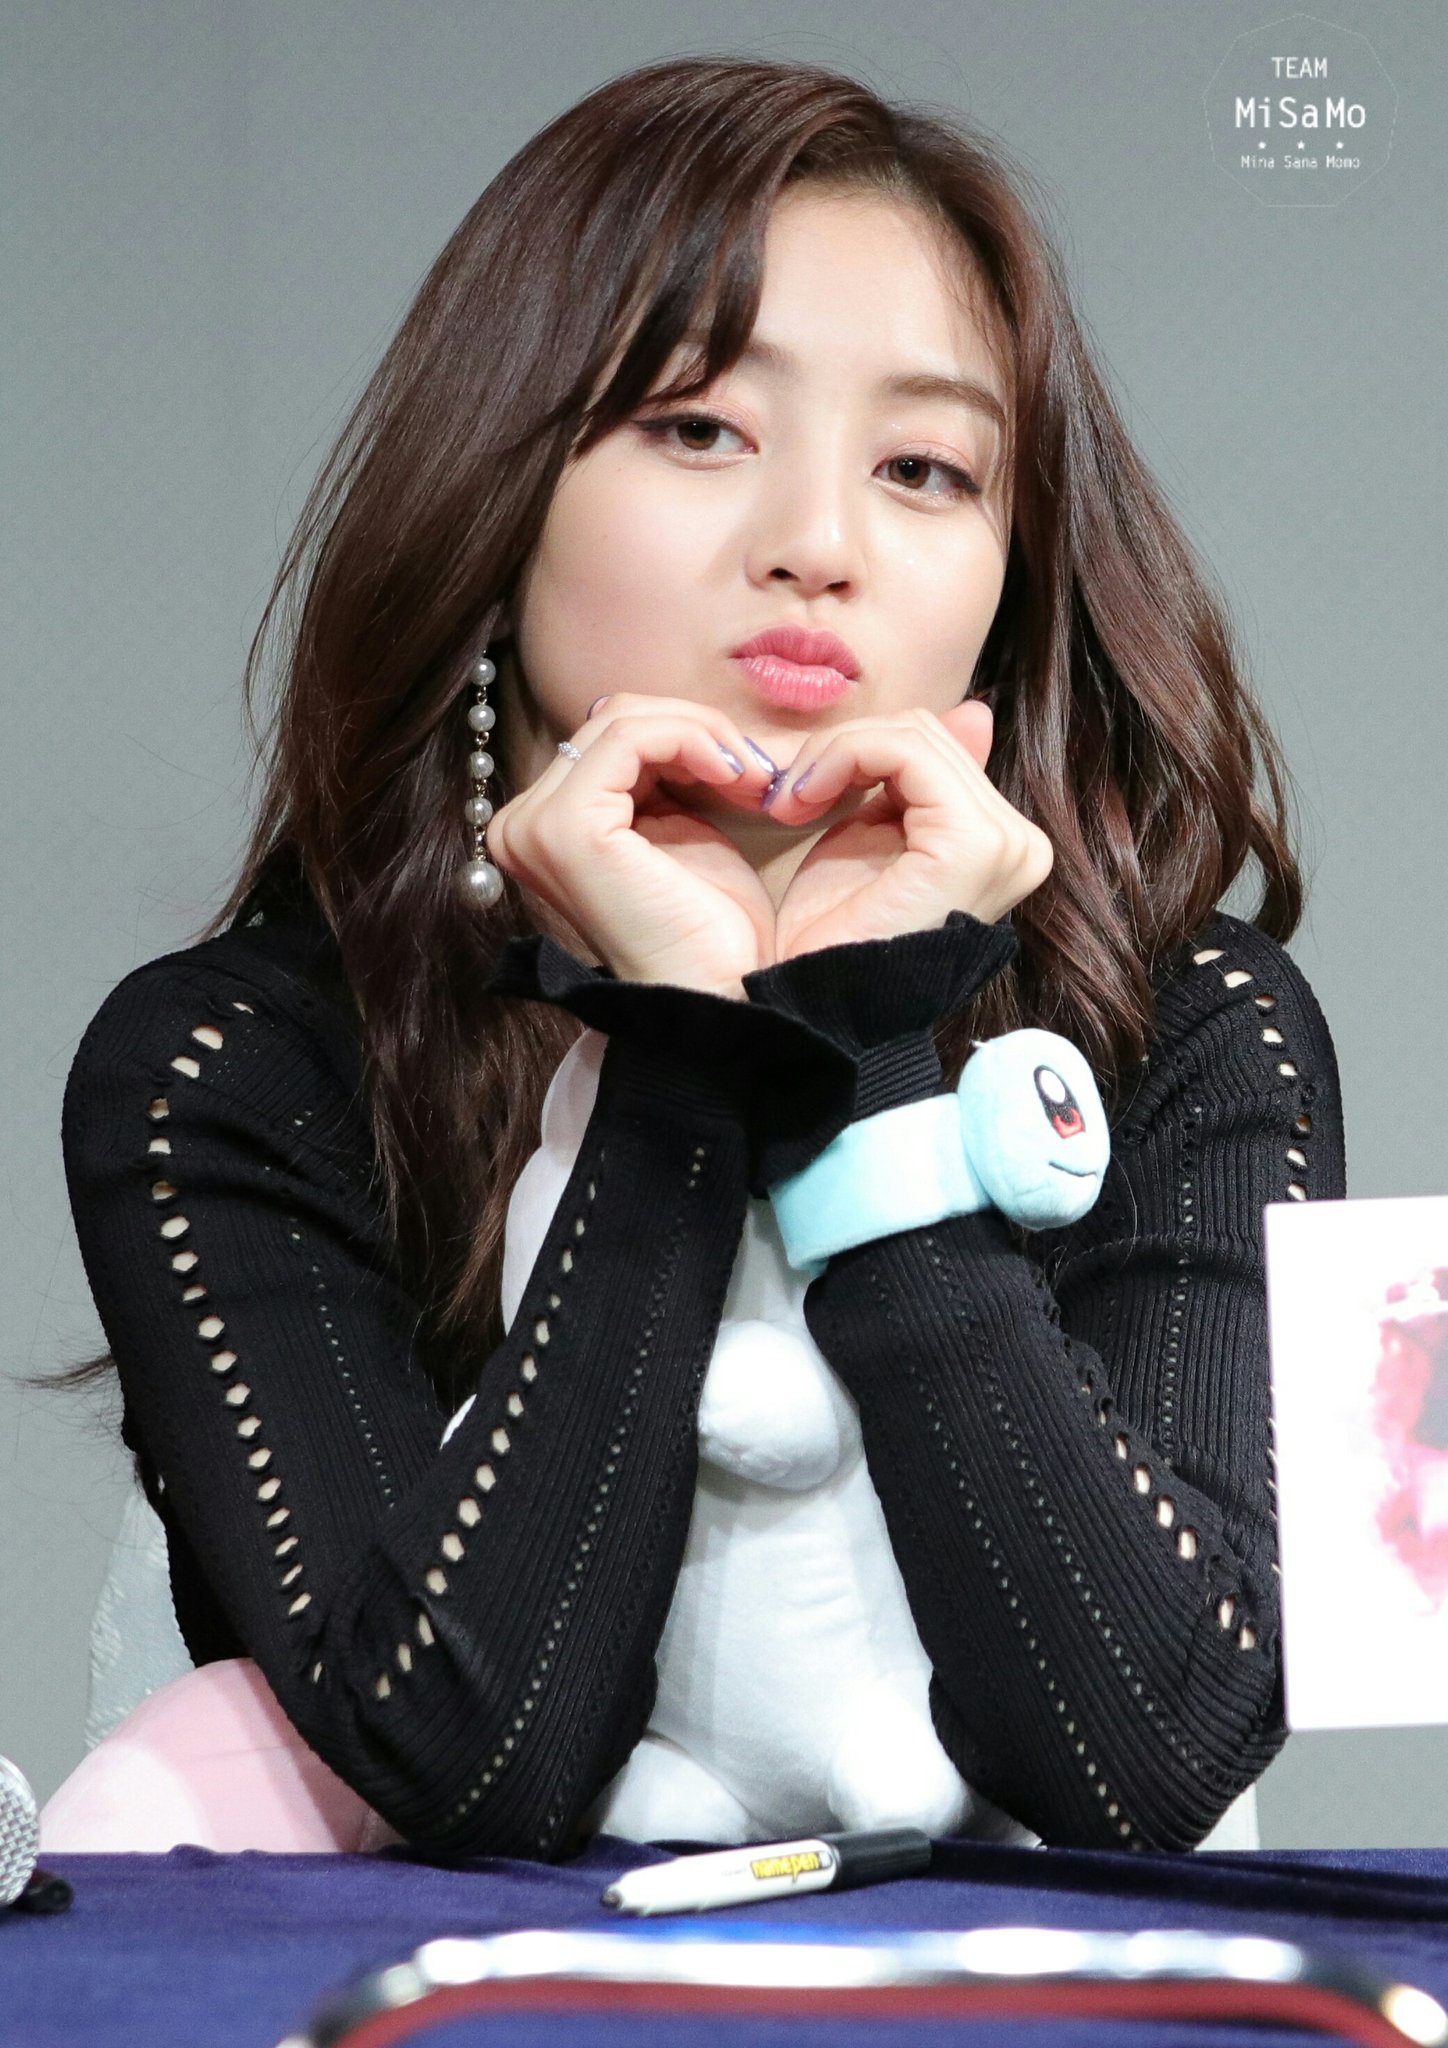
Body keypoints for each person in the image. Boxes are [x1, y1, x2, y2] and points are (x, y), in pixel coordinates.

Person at [39, 52, 1345, 1861]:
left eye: (923, 467)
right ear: (501, 495)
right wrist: (682, 1044)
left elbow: (1151, 1760)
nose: (817, 546)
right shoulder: (233, 1066)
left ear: (1009, 574)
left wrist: (870, 1037)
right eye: (700, 428)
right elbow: (477, 1763)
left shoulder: (1188, 1027)